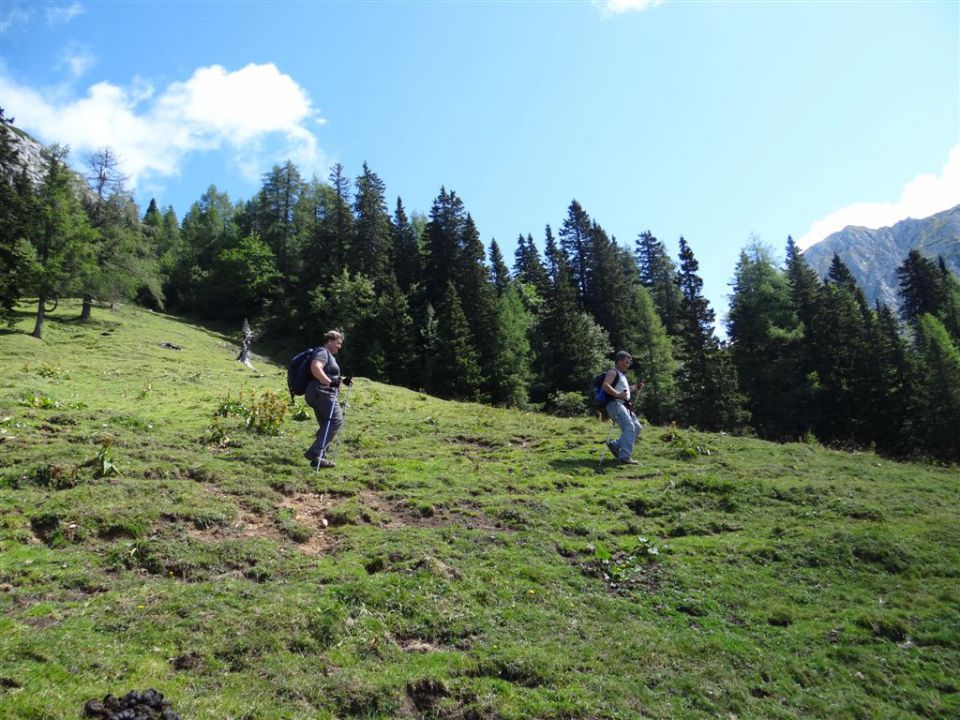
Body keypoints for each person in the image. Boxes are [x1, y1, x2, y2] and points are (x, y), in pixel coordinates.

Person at [304, 330, 351, 468]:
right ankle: (314, 452)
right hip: (322, 392)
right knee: (336, 421)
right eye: (338, 343)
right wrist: (330, 383)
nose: (339, 346)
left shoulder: (329, 355)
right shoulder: (322, 352)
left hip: (318, 392)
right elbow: (316, 367)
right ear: (329, 341)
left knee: (327, 424)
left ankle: (319, 458)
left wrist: (342, 381)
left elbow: (328, 374)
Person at [602, 350, 644, 465]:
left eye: (629, 362)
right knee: (629, 426)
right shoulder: (613, 372)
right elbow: (605, 385)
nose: (628, 364)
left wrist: (636, 387)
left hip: (623, 405)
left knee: (637, 427)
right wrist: (617, 394)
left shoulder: (622, 375)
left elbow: (625, 391)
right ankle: (625, 456)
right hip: (615, 404)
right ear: (619, 361)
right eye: (626, 362)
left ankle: (615, 445)